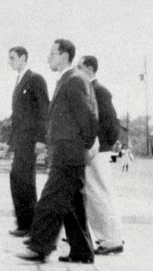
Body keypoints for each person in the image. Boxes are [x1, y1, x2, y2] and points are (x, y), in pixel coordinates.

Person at [18, 39, 97, 264]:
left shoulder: (74, 80)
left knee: (50, 200)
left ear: (64, 56)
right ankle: (82, 252)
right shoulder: (68, 79)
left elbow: (88, 117)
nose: (48, 57)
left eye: (52, 53)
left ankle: (39, 247)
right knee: (72, 204)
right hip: (67, 151)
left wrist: (83, 145)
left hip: (68, 152)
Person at [78, 55, 124, 255]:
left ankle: (111, 241)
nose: (77, 71)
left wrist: (102, 145)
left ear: (89, 68)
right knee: (97, 194)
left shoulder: (99, 91)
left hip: (97, 151)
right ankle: (110, 237)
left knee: (99, 195)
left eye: (79, 67)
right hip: (94, 149)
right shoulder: (91, 90)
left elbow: (111, 124)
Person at [7, 46, 49, 237]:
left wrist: (41, 139)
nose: (10, 62)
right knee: (18, 178)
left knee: (25, 180)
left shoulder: (35, 79)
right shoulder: (19, 81)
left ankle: (29, 225)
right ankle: (24, 223)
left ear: (23, 58)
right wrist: (11, 143)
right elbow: (17, 115)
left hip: (30, 139)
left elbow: (44, 110)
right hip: (20, 140)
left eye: (12, 58)